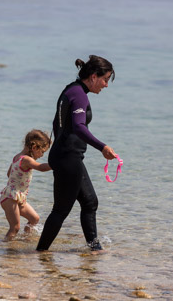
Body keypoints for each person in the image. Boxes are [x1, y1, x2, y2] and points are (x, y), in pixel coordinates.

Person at [36, 55, 117, 252]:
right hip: (67, 158)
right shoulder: (79, 95)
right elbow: (80, 127)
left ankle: (94, 249)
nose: (106, 85)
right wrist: (102, 147)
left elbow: (58, 124)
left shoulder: (71, 89)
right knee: (61, 210)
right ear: (93, 76)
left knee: (90, 202)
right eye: (105, 79)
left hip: (66, 156)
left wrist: (59, 149)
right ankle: (40, 252)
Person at [0, 129, 52, 241]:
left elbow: (9, 174)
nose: (42, 155)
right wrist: (55, 163)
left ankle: (25, 240)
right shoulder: (27, 160)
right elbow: (41, 167)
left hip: (16, 196)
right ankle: (6, 248)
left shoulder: (17, 157)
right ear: (34, 148)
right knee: (15, 227)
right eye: (42, 152)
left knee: (34, 219)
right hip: (11, 198)